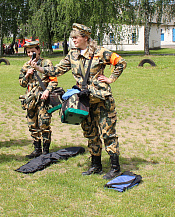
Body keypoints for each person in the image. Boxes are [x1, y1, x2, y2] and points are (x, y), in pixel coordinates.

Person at [30, 24, 127, 180]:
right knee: (91, 133)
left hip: (102, 100)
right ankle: (96, 165)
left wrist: (110, 79)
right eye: (72, 37)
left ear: (86, 38)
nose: (73, 40)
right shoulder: (72, 55)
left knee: (108, 133)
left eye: (76, 37)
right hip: (84, 100)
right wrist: (39, 69)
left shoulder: (100, 52)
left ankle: (115, 167)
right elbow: (56, 71)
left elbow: (121, 62)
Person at [19, 41, 58, 158]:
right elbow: (21, 83)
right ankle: (37, 149)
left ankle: (46, 150)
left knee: (44, 123)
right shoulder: (25, 66)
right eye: (28, 51)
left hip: (43, 99)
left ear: (38, 51)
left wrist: (47, 90)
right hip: (30, 99)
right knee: (32, 124)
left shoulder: (46, 63)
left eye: (33, 51)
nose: (31, 53)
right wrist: (27, 74)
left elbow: (54, 80)